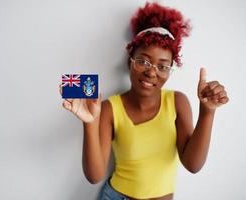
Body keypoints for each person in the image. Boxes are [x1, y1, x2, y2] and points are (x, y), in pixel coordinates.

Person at [61, 2, 229, 200]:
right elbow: (94, 175)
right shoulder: (109, 107)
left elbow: (193, 165)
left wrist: (207, 112)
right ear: (130, 61)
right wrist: (89, 123)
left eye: (162, 66)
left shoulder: (177, 103)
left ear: (170, 71)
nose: (151, 72)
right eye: (143, 61)